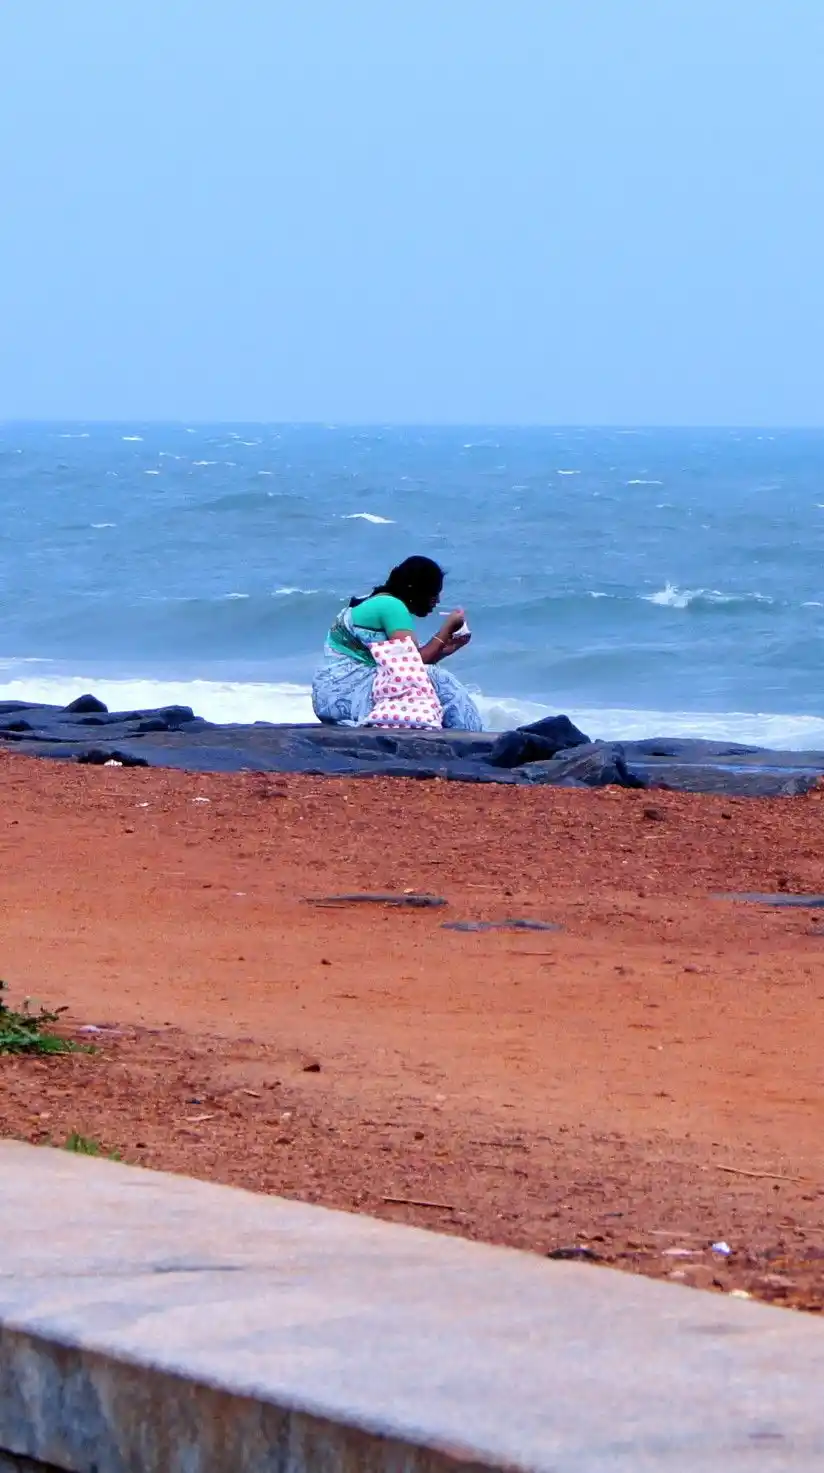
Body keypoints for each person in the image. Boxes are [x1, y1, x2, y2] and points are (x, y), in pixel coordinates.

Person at [312, 555, 483, 730]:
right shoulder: (392, 606)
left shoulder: (376, 600)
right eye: (434, 594)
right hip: (348, 695)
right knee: (440, 679)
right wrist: (446, 628)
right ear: (416, 589)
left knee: (430, 677)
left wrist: (447, 649)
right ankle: (471, 734)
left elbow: (405, 668)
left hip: (331, 697)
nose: (437, 601)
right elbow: (412, 663)